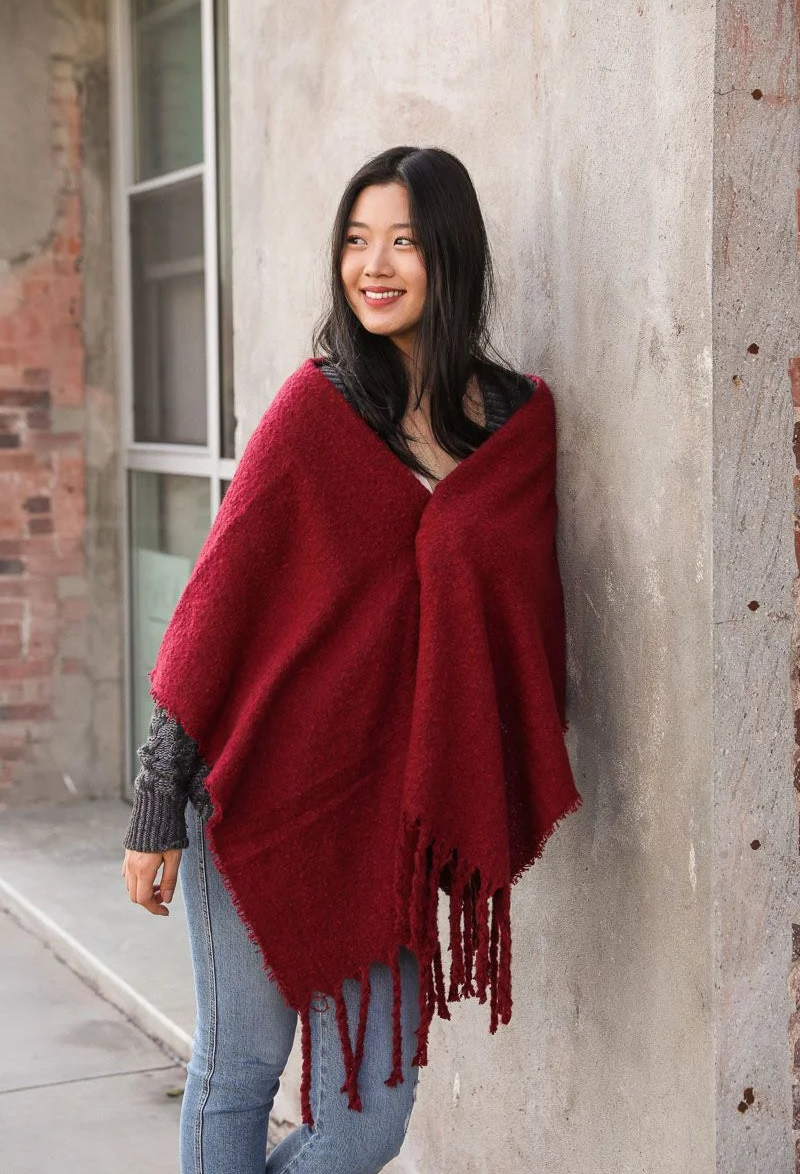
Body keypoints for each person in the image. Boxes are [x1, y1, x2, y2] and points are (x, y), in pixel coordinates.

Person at [122, 145, 582, 1174]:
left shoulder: (514, 423)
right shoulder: (313, 411)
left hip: (388, 818)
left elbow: (520, 620)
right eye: (355, 241)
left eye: (403, 242)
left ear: (448, 254)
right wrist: (158, 800)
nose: (372, 265)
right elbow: (214, 612)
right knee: (239, 1073)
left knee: (366, 1123)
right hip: (253, 792)